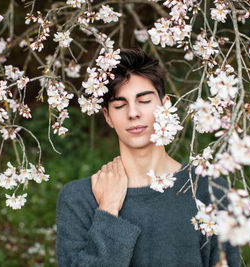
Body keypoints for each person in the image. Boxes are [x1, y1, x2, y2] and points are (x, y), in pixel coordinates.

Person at [56, 48, 240, 266]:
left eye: (144, 101)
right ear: (108, 116)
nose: (133, 113)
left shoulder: (209, 190)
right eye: (120, 104)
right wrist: (107, 211)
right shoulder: (78, 199)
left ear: (165, 105)